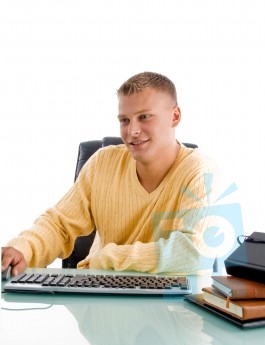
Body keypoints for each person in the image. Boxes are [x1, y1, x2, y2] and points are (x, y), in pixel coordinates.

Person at [1, 72, 217, 277]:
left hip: (173, 306)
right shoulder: (103, 163)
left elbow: (196, 253)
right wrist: (22, 250)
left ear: (175, 116)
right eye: (124, 120)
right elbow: (59, 224)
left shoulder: (200, 171)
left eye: (144, 117)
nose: (132, 131)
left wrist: (106, 258)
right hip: (103, 297)